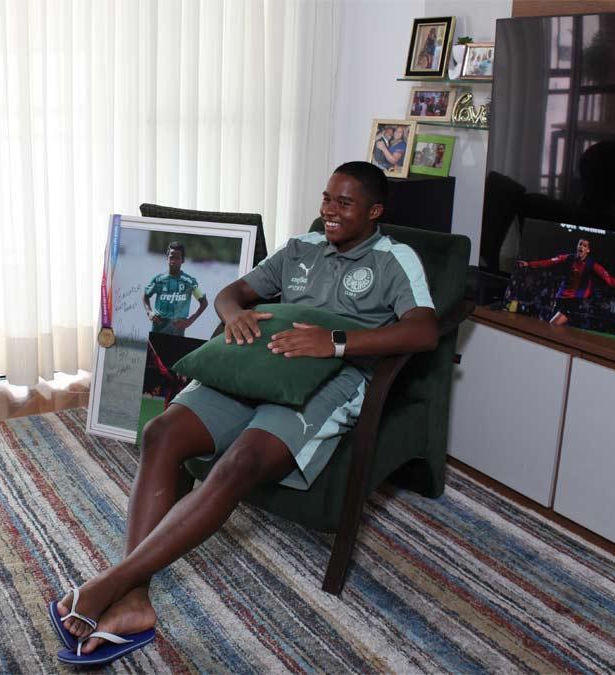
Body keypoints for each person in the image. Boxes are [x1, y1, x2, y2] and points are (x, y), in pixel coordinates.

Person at [51, 161, 437, 663]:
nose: (330, 212)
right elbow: (234, 293)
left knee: (240, 463)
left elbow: (424, 330)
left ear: (375, 211)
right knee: (163, 433)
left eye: (344, 204)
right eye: (326, 199)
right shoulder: (302, 246)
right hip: (261, 364)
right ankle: (134, 599)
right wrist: (233, 316)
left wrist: (336, 342)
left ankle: (111, 584)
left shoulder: (394, 259)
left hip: (329, 380)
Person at [517, 237, 615, 326]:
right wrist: (529, 264)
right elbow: (549, 262)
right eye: (580, 244)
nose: (581, 246)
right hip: (561, 298)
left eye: (585, 245)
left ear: (588, 250)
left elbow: (608, 279)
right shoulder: (569, 258)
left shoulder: (592, 265)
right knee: (556, 330)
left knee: (552, 326)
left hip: (575, 301)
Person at [143, 241, 208, 336]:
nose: (174, 260)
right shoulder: (158, 280)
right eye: (171, 257)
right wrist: (149, 312)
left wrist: (190, 321)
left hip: (178, 329)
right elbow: (145, 297)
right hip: (158, 327)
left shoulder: (189, 282)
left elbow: (204, 303)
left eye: (177, 258)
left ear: (183, 260)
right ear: (167, 258)